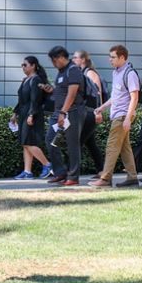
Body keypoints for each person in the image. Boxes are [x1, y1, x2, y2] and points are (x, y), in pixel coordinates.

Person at [88, 45, 140, 188]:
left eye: (113, 57)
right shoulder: (116, 73)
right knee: (125, 148)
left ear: (122, 58)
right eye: (110, 56)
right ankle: (132, 177)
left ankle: (105, 179)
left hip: (123, 116)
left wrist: (128, 118)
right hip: (118, 115)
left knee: (111, 147)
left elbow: (134, 98)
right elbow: (115, 97)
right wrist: (101, 107)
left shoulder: (130, 74)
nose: (110, 59)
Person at [42, 45, 85, 186]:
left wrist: (63, 112)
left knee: (72, 144)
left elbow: (72, 94)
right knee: (50, 140)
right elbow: (62, 92)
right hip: (59, 112)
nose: (53, 64)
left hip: (71, 112)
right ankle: (60, 173)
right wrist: (52, 91)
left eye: (54, 60)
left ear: (61, 57)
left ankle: (73, 177)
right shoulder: (61, 72)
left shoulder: (73, 70)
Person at [10, 56, 52, 179]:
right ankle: (27, 171)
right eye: (22, 65)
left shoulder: (36, 80)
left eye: (25, 65)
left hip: (32, 114)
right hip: (23, 114)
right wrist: (15, 114)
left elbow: (35, 99)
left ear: (33, 66)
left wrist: (31, 115)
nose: (23, 67)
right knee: (25, 143)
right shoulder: (25, 80)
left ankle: (47, 164)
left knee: (29, 142)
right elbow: (22, 100)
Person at [72, 50, 106, 177]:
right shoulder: (81, 73)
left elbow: (98, 93)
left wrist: (98, 112)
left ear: (83, 60)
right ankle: (101, 170)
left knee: (77, 142)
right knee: (90, 143)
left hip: (91, 113)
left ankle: (73, 171)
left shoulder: (90, 73)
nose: (73, 59)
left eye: (75, 57)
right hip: (84, 112)